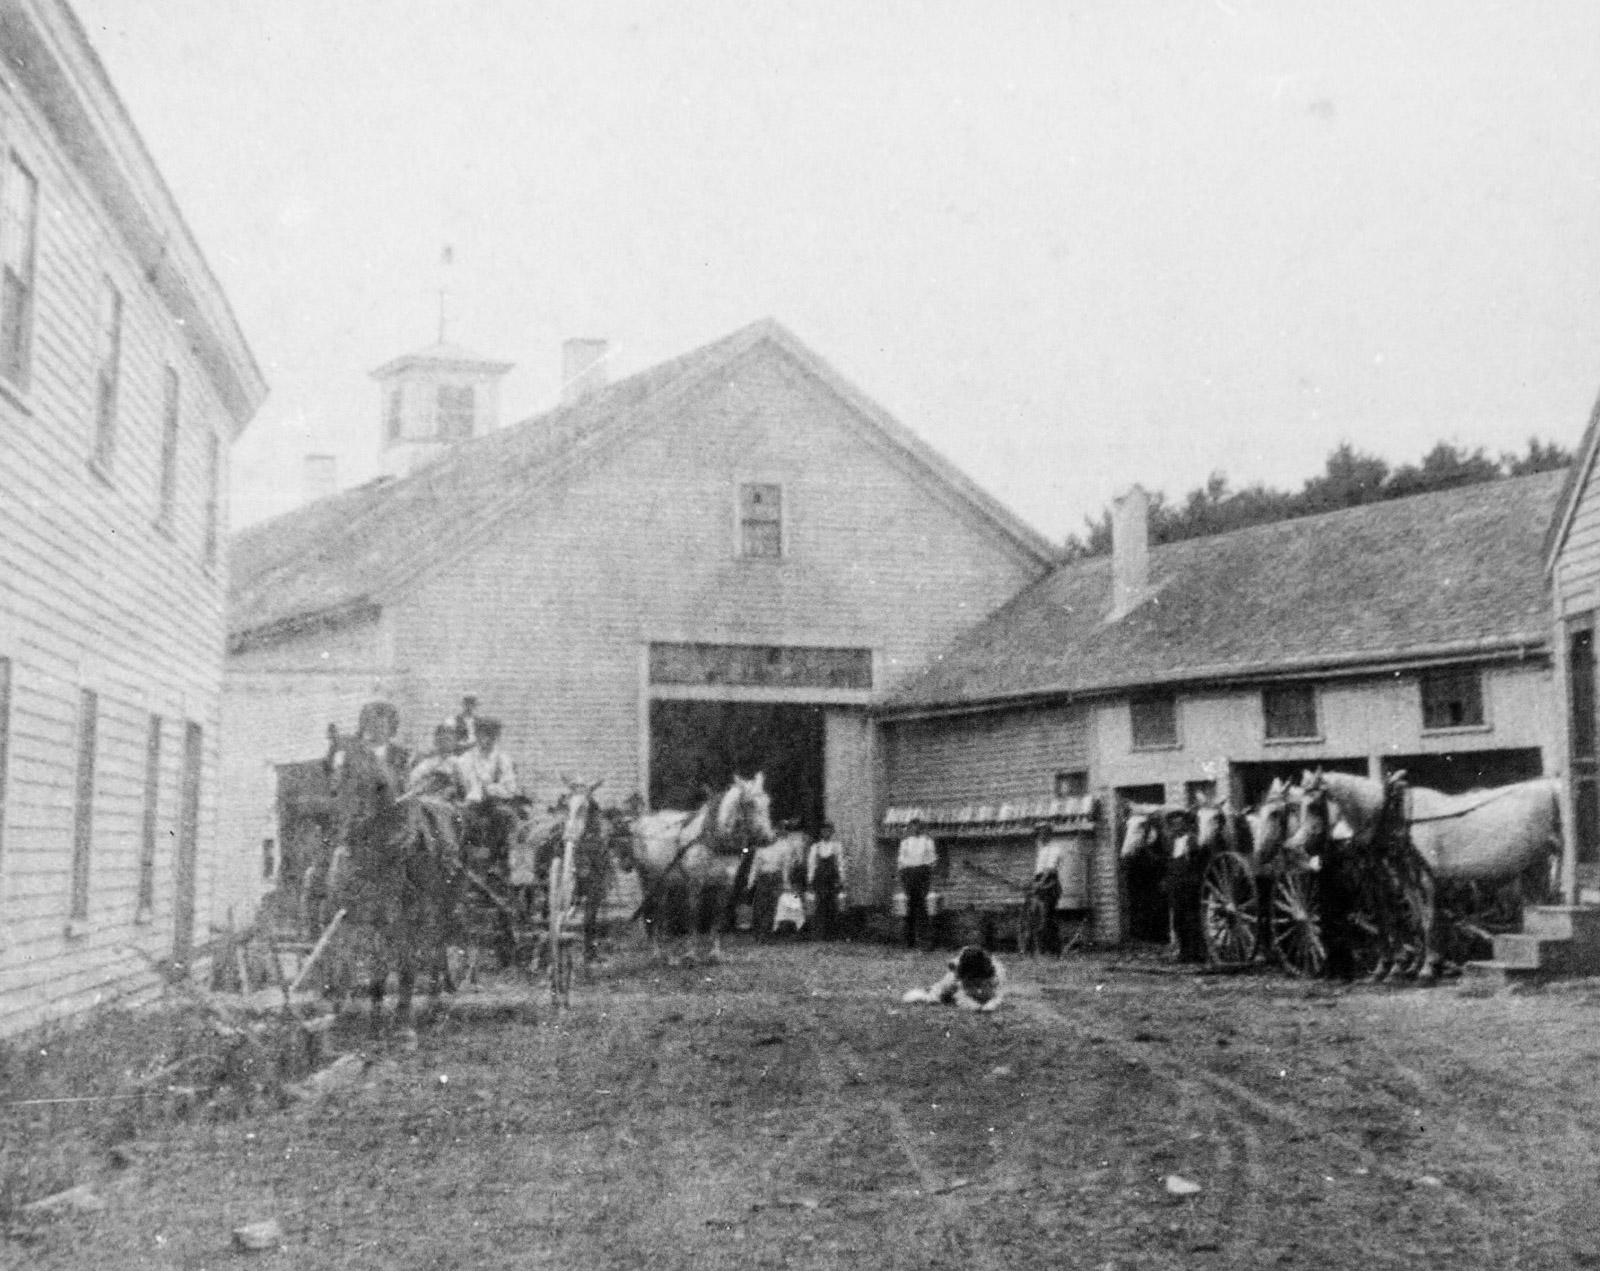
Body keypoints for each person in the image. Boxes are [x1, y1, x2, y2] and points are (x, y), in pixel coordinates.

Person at [458, 717, 519, 874]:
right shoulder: (466, 759)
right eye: (482, 734)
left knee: (506, 816)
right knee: (459, 821)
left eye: (491, 735)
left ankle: (504, 859)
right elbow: (465, 783)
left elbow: (510, 787)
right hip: (470, 804)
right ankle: (459, 860)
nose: (486, 739)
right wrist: (476, 792)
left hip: (493, 805)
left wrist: (491, 789)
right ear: (477, 735)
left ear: (496, 737)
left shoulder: (503, 760)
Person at [902, 946, 1006, 1011]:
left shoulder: (995, 976)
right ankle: (932, 994)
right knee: (947, 984)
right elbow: (962, 996)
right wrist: (976, 1007)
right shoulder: (961, 977)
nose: (954, 962)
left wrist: (990, 1005)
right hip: (955, 985)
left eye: (961, 958)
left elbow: (997, 996)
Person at [897, 818, 938, 951]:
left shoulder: (927, 842)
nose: (915, 829)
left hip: (922, 873)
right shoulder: (905, 843)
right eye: (912, 827)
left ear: (921, 828)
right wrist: (903, 876)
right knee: (910, 906)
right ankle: (909, 941)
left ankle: (926, 941)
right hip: (908, 873)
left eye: (918, 826)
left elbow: (932, 860)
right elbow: (901, 861)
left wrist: (927, 875)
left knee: (922, 907)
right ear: (909, 828)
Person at [404, 722, 467, 802]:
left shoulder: (459, 762)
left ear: (454, 742)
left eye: (449, 739)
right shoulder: (427, 763)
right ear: (436, 740)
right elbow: (412, 782)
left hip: (449, 803)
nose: (446, 743)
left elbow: (465, 790)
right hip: (426, 801)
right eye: (443, 739)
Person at [1030, 822, 1064, 955]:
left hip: (1050, 885)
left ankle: (1052, 949)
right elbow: (1038, 871)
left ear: (1049, 834)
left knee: (1046, 918)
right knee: (1039, 917)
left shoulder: (1055, 849)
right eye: (1039, 834)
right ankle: (1046, 949)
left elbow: (1050, 870)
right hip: (1040, 884)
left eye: (1043, 834)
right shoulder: (1041, 850)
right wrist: (1034, 883)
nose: (1040, 836)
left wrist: (1040, 883)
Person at [806, 821, 844, 940]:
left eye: (828, 830)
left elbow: (840, 863)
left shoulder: (837, 846)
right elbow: (811, 865)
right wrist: (810, 880)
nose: (826, 833)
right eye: (824, 830)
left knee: (832, 905)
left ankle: (831, 933)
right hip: (820, 879)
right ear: (821, 832)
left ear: (832, 832)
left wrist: (842, 879)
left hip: (832, 879)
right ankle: (819, 933)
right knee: (819, 905)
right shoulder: (815, 847)